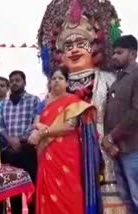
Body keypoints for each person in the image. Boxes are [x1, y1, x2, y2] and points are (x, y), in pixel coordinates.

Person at [37, 1, 125, 212]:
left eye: (82, 43)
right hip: (66, 150)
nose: (74, 49)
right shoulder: (53, 93)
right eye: (68, 45)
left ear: (96, 47)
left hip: (104, 146)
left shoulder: (108, 79)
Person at [29, 67, 102, 214]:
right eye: (53, 78)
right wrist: (38, 130)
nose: (56, 81)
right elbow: (35, 123)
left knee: (68, 189)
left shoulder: (73, 101)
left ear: (67, 83)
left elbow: (70, 127)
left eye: (60, 78)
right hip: (47, 153)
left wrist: (44, 132)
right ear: (49, 83)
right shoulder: (44, 104)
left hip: (66, 153)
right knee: (48, 191)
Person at [103, 35, 138, 213]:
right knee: (128, 200)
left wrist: (110, 136)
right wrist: (109, 142)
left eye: (119, 52)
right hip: (118, 149)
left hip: (134, 149)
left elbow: (136, 113)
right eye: (114, 52)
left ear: (132, 53)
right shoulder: (119, 79)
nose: (114, 56)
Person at [0, 70, 40, 214]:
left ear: (24, 82)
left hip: (27, 150)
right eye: (12, 81)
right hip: (10, 151)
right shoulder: (4, 104)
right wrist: (10, 140)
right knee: (13, 190)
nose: (14, 83)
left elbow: (35, 122)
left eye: (18, 80)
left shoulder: (34, 100)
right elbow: (1, 126)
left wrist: (20, 139)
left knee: (33, 187)